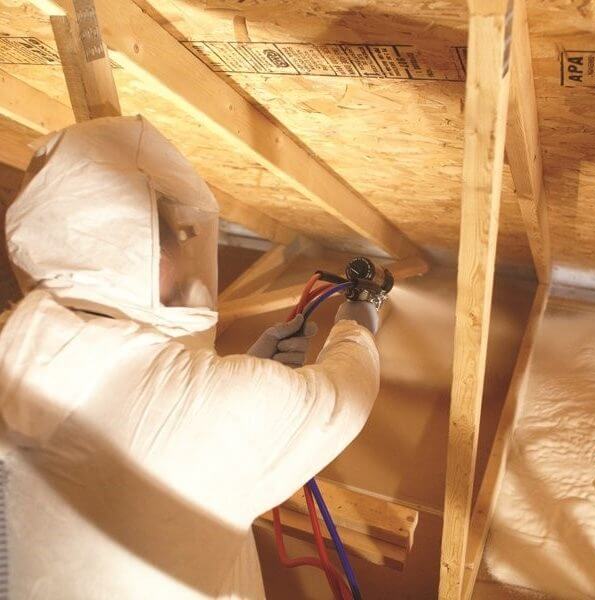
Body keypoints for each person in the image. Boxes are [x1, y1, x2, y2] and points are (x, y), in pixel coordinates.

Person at [0, 116, 381, 598]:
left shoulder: (22, 343)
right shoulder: (195, 405)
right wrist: (358, 321)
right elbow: (343, 399)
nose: (189, 252)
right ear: (147, 255)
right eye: (178, 238)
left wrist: (231, 372)